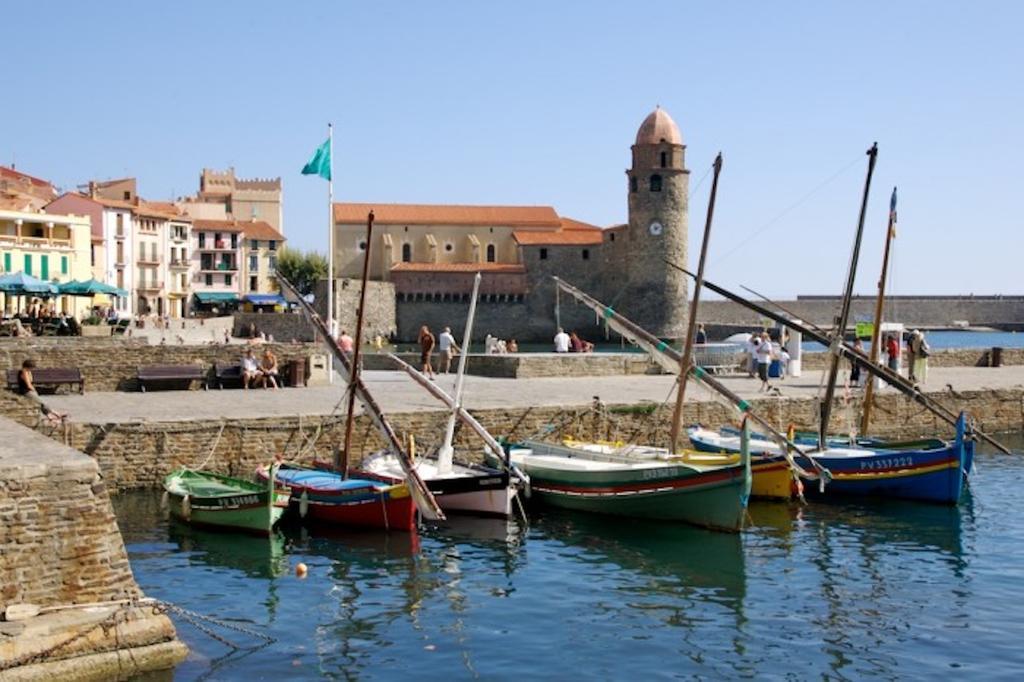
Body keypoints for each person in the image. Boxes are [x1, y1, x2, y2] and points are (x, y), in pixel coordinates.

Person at [17, 359, 65, 424]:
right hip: (26, 391)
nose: (32, 369)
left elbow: (31, 380)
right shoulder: (24, 372)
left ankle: (50, 415)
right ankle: (55, 414)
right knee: (42, 402)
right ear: (28, 366)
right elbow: (28, 384)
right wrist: (34, 391)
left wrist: (29, 373)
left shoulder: (27, 371)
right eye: (31, 367)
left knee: (41, 403)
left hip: (29, 390)